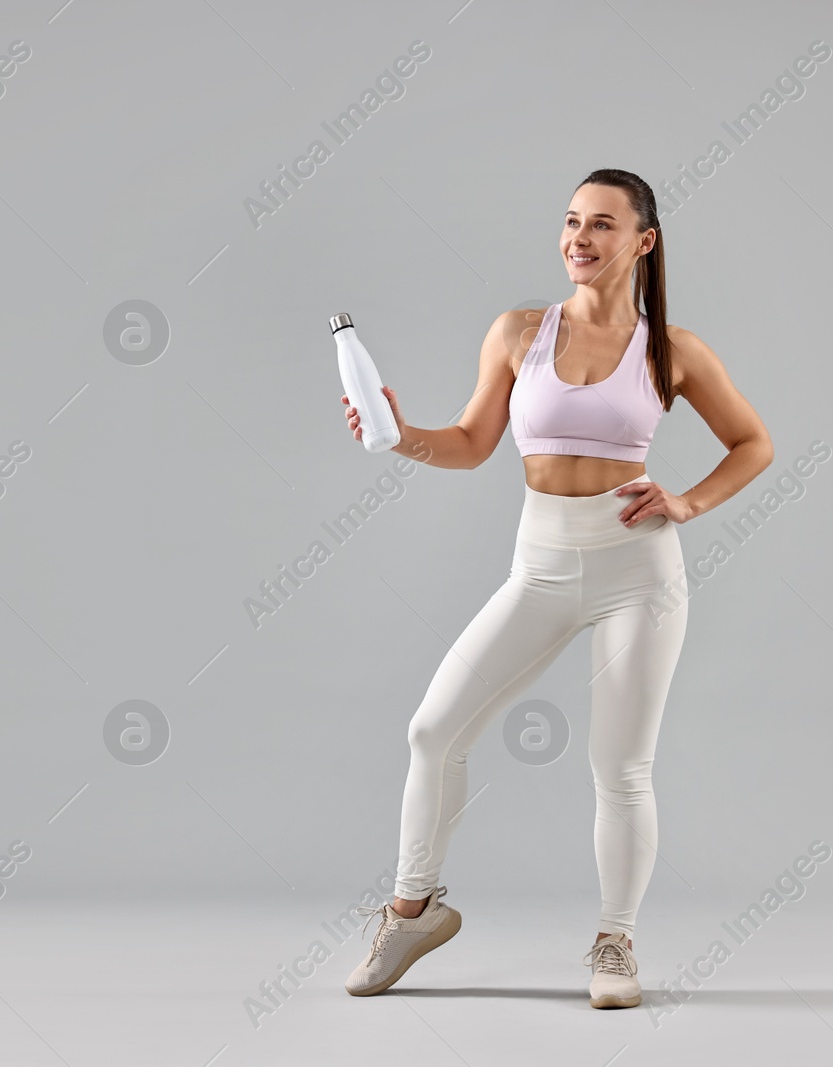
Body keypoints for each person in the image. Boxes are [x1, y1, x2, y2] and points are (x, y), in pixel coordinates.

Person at [338, 169, 772, 1008]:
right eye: (571, 221)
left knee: (619, 764)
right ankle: (413, 908)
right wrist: (395, 438)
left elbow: (752, 442)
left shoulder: (672, 350)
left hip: (636, 572)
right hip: (538, 566)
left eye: (602, 225)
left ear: (642, 242)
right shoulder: (517, 332)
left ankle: (616, 942)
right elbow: (468, 443)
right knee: (433, 731)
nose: (579, 238)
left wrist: (687, 501)